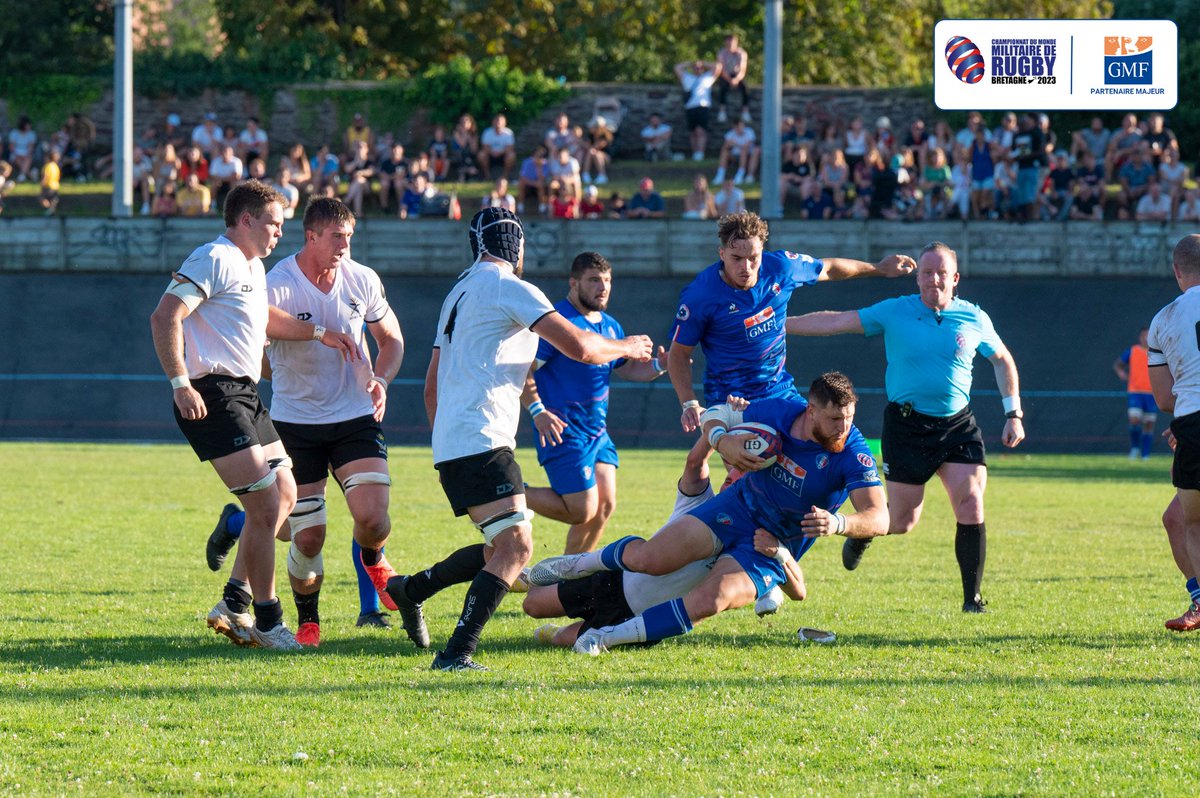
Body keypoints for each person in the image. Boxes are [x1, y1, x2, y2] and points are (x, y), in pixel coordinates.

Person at [381, 208, 653, 672]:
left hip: (455, 441)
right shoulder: (510, 288)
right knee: (517, 548)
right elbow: (582, 348)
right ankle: (456, 653)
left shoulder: (457, 292)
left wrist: (445, 445)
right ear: (517, 245)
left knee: (496, 549)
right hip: (483, 438)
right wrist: (629, 347)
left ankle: (410, 590)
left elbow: (431, 385)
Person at [528, 372, 889, 655]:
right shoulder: (781, 411)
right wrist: (722, 439)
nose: (843, 428)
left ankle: (604, 639)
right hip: (737, 509)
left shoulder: (851, 452)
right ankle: (579, 563)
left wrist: (838, 523)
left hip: (770, 542)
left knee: (712, 600)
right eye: (834, 419)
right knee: (651, 558)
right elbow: (718, 414)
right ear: (811, 410)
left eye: (849, 418)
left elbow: (879, 517)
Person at [148, 180, 356, 650]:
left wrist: (319, 332)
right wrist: (180, 383)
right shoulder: (214, 257)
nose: (280, 233)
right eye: (273, 224)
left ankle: (233, 602)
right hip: (212, 393)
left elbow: (264, 318)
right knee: (264, 505)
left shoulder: (253, 266)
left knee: (285, 498)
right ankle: (267, 620)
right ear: (245, 220)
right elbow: (165, 316)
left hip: (245, 393)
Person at [204, 198, 406, 645]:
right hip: (296, 423)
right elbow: (256, 335)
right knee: (300, 535)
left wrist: (381, 379)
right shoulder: (278, 282)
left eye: (349, 237)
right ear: (311, 236)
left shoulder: (362, 279)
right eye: (336, 237)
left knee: (373, 518)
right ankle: (246, 538)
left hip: (355, 416)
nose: (344, 246)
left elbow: (391, 338)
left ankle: (374, 562)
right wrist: (293, 363)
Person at [785, 241, 1025, 612]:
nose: (934, 279)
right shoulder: (895, 311)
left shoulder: (974, 317)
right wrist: (780, 325)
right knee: (901, 521)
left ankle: (972, 599)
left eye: (942, 273)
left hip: (957, 426)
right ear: (917, 278)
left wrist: (1014, 413)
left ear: (955, 278)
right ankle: (862, 533)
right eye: (927, 272)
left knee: (971, 503)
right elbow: (837, 321)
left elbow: (1003, 359)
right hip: (907, 426)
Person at [667, 211, 914, 493]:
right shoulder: (700, 296)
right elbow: (678, 354)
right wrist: (689, 404)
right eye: (736, 258)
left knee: (827, 437)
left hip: (780, 392)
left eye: (753, 258)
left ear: (763, 251)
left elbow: (829, 268)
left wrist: (878, 268)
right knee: (753, 484)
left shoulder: (781, 267)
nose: (746, 267)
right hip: (734, 403)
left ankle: (863, 502)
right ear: (721, 253)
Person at [523, 427, 805, 647]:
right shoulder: (702, 505)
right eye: (728, 479)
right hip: (615, 580)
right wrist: (715, 426)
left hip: (646, 620)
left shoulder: (758, 541)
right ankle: (523, 575)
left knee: (563, 639)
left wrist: (778, 553)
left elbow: (798, 590)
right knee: (532, 605)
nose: (729, 485)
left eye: (737, 483)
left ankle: (559, 631)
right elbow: (695, 463)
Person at [521, 252, 668, 555]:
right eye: (593, 280)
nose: (602, 287)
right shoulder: (558, 323)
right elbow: (524, 371)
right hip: (563, 430)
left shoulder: (611, 327)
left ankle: (568, 574)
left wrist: (659, 366)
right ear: (573, 283)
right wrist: (537, 411)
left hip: (597, 432)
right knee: (581, 509)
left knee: (605, 506)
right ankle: (504, 495)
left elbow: (626, 368)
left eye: (607, 280)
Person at [1148, 235, 1200, 632]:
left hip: (1193, 423)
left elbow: (1165, 398)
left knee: (1192, 522)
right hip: (1190, 424)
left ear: (1176, 271)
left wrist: (1183, 422)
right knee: (1175, 519)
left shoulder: (1164, 320)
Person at [1114, 328, 1158, 460]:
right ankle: (1134, 448)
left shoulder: (1157, 353)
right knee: (1134, 420)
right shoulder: (1133, 350)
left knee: (1149, 423)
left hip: (1152, 393)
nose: (1146, 338)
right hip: (1136, 392)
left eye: (1148, 335)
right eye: (1144, 335)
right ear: (1140, 337)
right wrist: (1121, 373)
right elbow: (1118, 364)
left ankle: (1145, 454)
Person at [675, 59, 722, 161]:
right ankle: (695, 152)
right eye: (696, 68)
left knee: (700, 131)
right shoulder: (687, 77)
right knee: (692, 132)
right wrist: (691, 63)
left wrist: (703, 63)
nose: (698, 69)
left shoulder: (707, 77)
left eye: (700, 68)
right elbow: (677, 68)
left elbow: (718, 67)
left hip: (702, 106)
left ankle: (700, 153)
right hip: (690, 107)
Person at [714, 33, 750, 125]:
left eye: (732, 42)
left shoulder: (742, 53)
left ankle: (745, 111)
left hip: (737, 76)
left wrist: (736, 79)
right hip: (726, 76)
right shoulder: (721, 53)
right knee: (722, 87)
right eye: (728, 42)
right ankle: (722, 111)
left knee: (745, 88)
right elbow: (721, 69)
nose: (730, 44)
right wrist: (730, 80)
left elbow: (742, 70)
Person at [713, 118, 758, 186]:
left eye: (741, 126)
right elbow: (724, 147)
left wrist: (735, 144)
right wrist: (728, 145)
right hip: (734, 156)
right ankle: (720, 175)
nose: (741, 128)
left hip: (747, 155)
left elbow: (747, 146)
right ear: (734, 127)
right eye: (738, 126)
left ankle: (740, 175)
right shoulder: (730, 134)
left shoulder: (749, 132)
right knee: (724, 152)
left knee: (744, 151)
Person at [478, 113, 516, 181]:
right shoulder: (487, 132)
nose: (498, 123)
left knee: (511, 155)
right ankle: (487, 176)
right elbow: (485, 147)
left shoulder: (509, 133)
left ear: (505, 123)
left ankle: (505, 177)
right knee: (481, 155)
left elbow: (510, 148)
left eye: (500, 121)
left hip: (503, 154)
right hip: (490, 154)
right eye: (496, 121)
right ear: (493, 122)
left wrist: (500, 153)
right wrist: (492, 152)